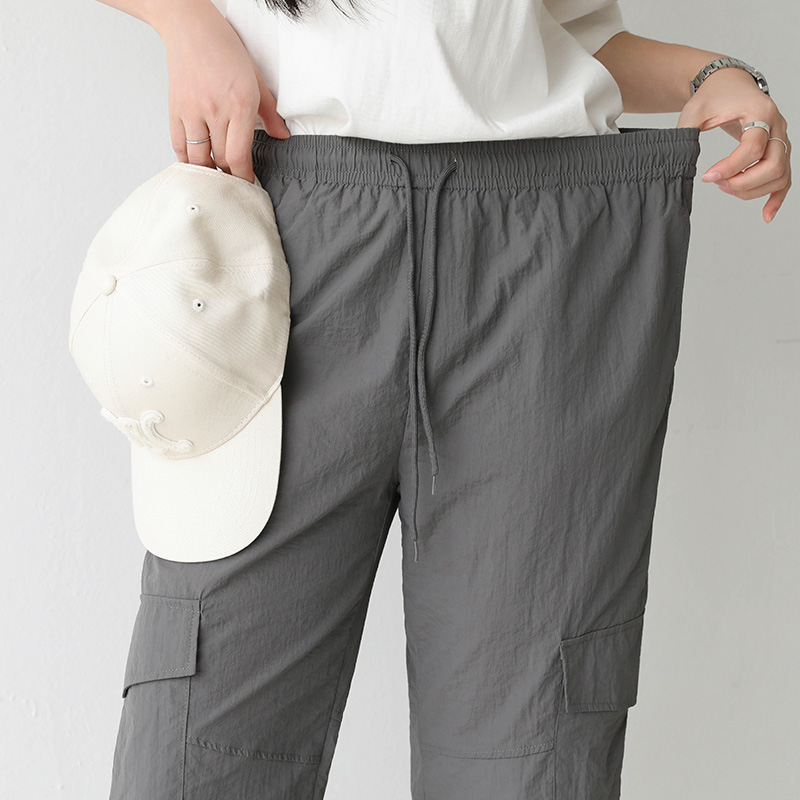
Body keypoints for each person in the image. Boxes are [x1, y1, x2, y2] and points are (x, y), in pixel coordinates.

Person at [96, 2, 791, 799]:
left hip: (548, 265)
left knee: (529, 747)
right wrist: (189, 24)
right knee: (198, 741)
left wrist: (714, 77)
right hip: (285, 248)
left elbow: (555, 40)